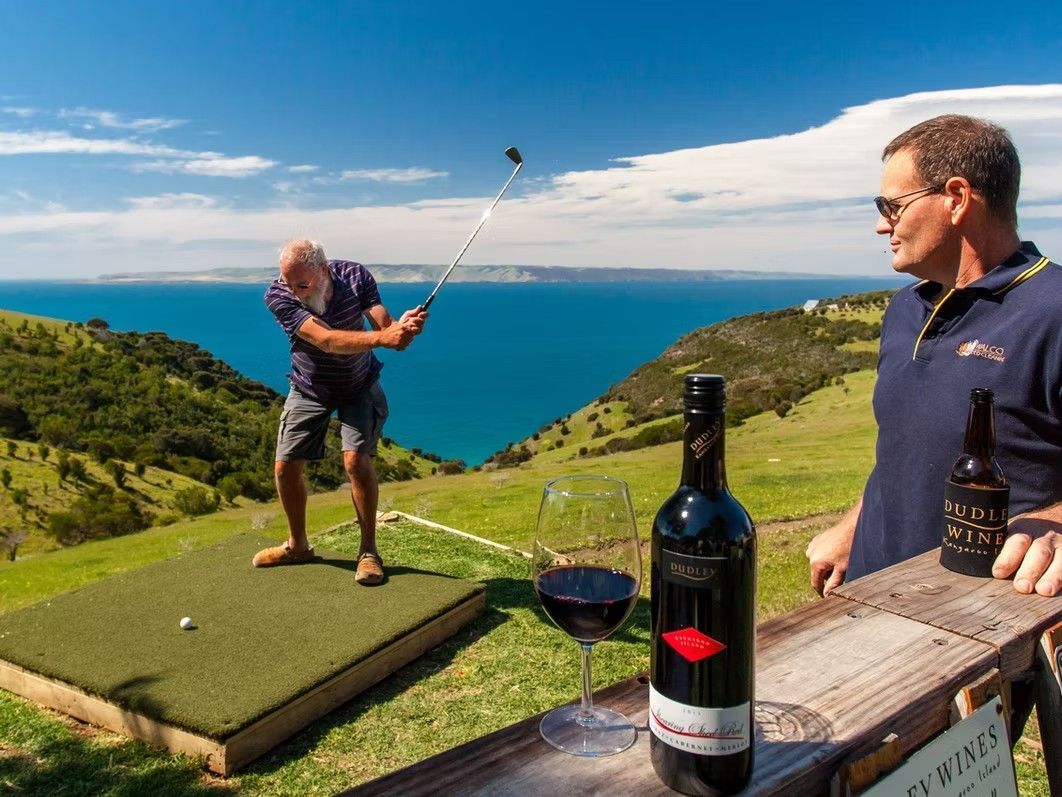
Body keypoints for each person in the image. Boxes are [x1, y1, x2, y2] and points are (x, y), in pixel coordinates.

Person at [807, 115, 1061, 599]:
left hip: (983, 636)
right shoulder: (905, 309)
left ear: (957, 198)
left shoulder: (1054, 310)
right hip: (868, 599)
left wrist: (1056, 524)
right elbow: (906, 451)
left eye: (892, 205)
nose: (882, 225)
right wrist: (851, 529)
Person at [253, 239, 428, 585]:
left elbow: (383, 324)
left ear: (323, 270)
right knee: (285, 468)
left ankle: (368, 553)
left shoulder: (355, 275)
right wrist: (385, 339)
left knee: (356, 461)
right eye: (288, 282)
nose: (294, 292)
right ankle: (298, 546)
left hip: (358, 384)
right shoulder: (279, 296)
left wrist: (401, 329)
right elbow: (328, 340)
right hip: (310, 387)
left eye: (301, 284)